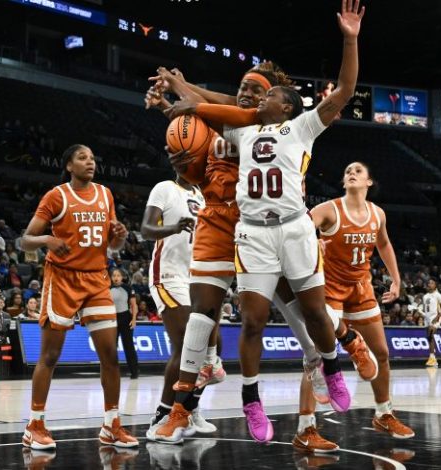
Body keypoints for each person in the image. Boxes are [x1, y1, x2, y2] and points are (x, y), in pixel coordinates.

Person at [155, 0, 364, 444]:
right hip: (226, 223)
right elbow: (200, 145)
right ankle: (182, 408)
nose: (251, 93)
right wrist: (174, 102)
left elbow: (215, 103)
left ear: (279, 102)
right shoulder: (233, 124)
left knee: (302, 309)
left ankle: (337, 349)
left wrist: (184, 93)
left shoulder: (280, 123)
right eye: (246, 87)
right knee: (206, 318)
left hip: (281, 224)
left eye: (260, 89)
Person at [19, 144, 137, 450]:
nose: (90, 163)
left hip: (97, 279)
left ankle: (111, 425)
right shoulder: (56, 196)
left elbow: (111, 245)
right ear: (69, 165)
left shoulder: (105, 194)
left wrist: (119, 237)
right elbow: (25, 239)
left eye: (93, 159)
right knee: (50, 356)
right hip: (62, 279)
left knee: (110, 356)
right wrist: (46, 239)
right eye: (83, 158)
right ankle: (35, 424)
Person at [310, 162, 414, 439]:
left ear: (369, 182)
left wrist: (396, 279)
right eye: (347, 172)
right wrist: (310, 240)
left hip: (361, 288)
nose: (351, 173)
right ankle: (307, 425)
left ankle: (384, 413)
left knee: (381, 353)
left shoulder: (377, 213)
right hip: (330, 288)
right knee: (317, 356)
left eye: (358, 171)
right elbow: (300, 229)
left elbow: (384, 244)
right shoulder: (328, 210)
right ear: (344, 183)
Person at [141, 171, 219, 438]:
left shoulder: (203, 196)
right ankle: (162, 415)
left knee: (208, 346)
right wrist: (173, 227)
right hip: (168, 275)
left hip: (195, 276)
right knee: (187, 343)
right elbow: (146, 229)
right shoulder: (164, 187)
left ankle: (189, 409)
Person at [109, 269, 139, 380]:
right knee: (112, 347)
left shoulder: (128, 288)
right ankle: (112, 371)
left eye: (118, 275)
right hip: (112, 319)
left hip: (126, 318)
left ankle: (134, 372)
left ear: (122, 277)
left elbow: (134, 305)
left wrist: (134, 319)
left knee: (129, 346)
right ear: (111, 277)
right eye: (114, 275)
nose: (116, 277)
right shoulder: (107, 289)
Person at [423, 279, 441, 367]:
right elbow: (426, 309)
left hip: (436, 318)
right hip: (428, 319)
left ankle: (432, 358)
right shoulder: (425, 296)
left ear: (435, 285)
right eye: (429, 283)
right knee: (429, 338)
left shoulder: (438, 295)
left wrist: (437, 317)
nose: (430, 284)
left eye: (432, 283)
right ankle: (433, 355)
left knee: (431, 333)